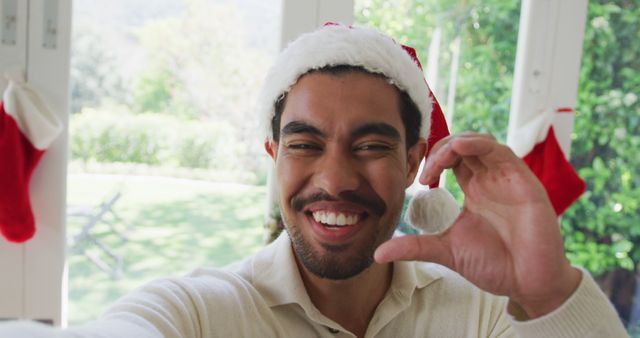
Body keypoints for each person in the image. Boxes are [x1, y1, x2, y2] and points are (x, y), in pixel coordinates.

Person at [0, 24, 628, 338]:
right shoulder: (196, 311)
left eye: (371, 145)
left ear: (415, 162)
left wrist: (548, 293)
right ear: (274, 155)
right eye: (305, 144)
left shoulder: (490, 314)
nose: (335, 177)